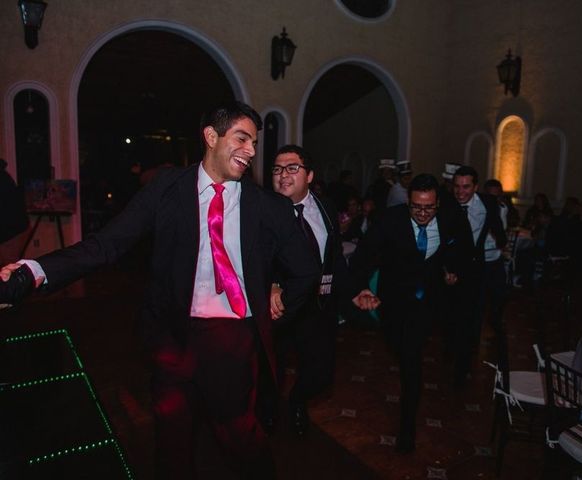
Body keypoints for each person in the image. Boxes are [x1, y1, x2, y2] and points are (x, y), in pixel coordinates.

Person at [0, 101, 320, 480]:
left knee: (239, 438)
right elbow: (109, 243)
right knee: (171, 439)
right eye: (242, 138)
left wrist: (280, 297)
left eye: (254, 142)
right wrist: (35, 271)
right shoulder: (167, 190)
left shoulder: (267, 206)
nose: (252, 150)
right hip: (173, 337)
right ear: (211, 136)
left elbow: (308, 268)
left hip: (232, 341)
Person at [267, 145, 378, 437]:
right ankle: (267, 416)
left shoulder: (325, 206)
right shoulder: (263, 212)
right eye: (277, 169)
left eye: (292, 168)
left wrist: (354, 290)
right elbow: (248, 256)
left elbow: (334, 257)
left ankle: (298, 401)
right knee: (269, 374)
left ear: (310, 175)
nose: (283, 175)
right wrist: (270, 284)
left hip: (319, 307)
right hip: (280, 309)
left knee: (320, 374)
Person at [349, 174, 464, 454]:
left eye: (428, 208)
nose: (422, 214)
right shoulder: (390, 220)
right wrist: (361, 287)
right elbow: (362, 256)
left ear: (438, 203)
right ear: (408, 202)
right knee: (398, 348)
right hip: (394, 300)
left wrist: (452, 268)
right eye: (416, 207)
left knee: (412, 361)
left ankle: (407, 427)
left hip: (427, 303)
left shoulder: (450, 216)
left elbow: (460, 247)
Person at [451, 166, 507, 385]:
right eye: (456, 186)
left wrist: (502, 241)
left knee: (473, 313)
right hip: (453, 266)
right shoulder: (446, 204)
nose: (460, 192)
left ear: (475, 187)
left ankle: (464, 361)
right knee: (452, 313)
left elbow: (495, 225)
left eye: (466, 187)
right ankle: (452, 346)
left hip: (477, 267)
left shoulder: (487, 203)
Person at [0, 158, 29, 266]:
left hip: (11, 231)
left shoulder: (2, 178)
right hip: (13, 228)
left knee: (10, 269)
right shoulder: (4, 176)